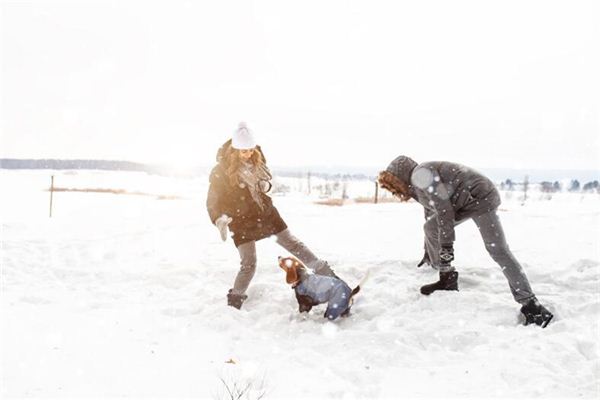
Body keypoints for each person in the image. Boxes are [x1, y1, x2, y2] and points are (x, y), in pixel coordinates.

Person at [378, 155, 554, 327]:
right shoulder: (416, 184)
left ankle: (532, 305)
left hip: (480, 198)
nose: (395, 190)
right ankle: (447, 277)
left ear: (400, 176)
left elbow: (444, 210)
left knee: (498, 250)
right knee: (431, 228)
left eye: (393, 184)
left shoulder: (420, 174)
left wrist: (446, 247)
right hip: (463, 203)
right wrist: (429, 249)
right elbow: (431, 214)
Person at [206, 122, 337, 309]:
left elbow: (269, 184)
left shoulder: (258, 160)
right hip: (240, 221)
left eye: (251, 150)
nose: (248, 154)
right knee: (249, 263)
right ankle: (235, 300)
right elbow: (213, 199)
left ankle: (330, 277)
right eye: (244, 151)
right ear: (234, 150)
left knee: (293, 244)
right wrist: (219, 218)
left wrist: (265, 186)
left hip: (265, 214)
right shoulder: (221, 171)